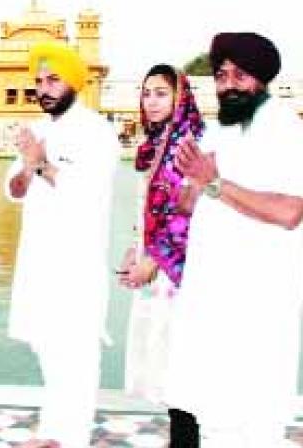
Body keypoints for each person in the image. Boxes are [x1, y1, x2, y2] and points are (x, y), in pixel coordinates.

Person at [163, 32, 303, 447]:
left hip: (259, 303)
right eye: (221, 76)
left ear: (260, 80)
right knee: (212, 413)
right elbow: (199, 201)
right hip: (211, 297)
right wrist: (186, 189)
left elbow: (290, 211)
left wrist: (213, 185)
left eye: (239, 76)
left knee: (255, 421)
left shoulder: (286, 130)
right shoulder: (222, 131)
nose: (227, 85)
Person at [5, 40, 119, 448]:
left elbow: (86, 190)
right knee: (50, 355)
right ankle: (53, 434)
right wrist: (24, 169)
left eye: (53, 80)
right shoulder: (37, 130)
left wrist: (39, 162)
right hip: (39, 263)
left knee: (77, 360)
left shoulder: (97, 133)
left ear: (73, 83)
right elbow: (15, 188)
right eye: (39, 81)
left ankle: (70, 438)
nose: (44, 88)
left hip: (76, 267)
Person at [117, 64, 203, 446]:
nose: (150, 102)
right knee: (167, 366)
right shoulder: (157, 143)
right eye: (146, 93)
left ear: (180, 97)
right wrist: (136, 248)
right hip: (161, 270)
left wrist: (153, 260)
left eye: (161, 93)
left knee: (183, 366)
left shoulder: (187, 145)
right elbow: (150, 210)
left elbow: (189, 214)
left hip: (181, 274)